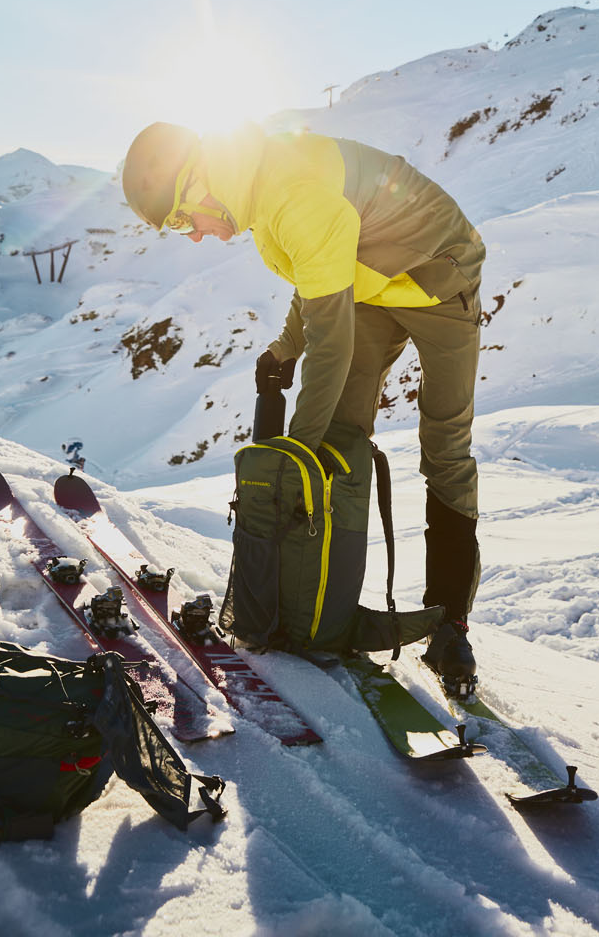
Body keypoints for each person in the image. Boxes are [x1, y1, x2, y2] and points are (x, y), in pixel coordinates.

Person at [122, 120, 485, 686]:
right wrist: (285, 347)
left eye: (178, 218)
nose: (191, 235)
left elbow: (332, 345)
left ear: (195, 181)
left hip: (440, 280)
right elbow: (320, 274)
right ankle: (321, 607)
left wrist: (296, 457)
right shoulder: (258, 196)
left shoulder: (289, 194)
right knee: (338, 436)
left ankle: (450, 625)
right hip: (368, 288)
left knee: (444, 445)